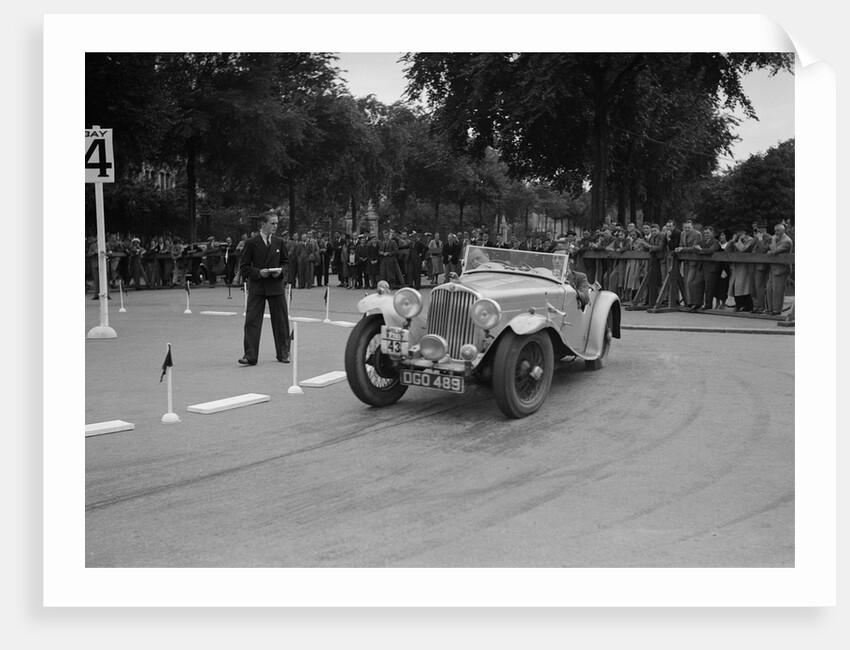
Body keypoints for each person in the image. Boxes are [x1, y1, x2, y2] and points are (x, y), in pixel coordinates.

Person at [238, 212, 290, 365]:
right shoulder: (251, 243)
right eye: (273, 223)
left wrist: (281, 272)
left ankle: (283, 353)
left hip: (276, 286)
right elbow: (244, 267)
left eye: (276, 223)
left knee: (281, 321)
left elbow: (286, 263)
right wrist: (258, 272)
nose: (276, 226)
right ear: (263, 224)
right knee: (252, 321)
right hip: (258, 286)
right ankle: (250, 356)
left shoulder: (279, 242)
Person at [675, 219, 703, 311]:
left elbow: (695, 248)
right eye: (685, 227)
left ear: (692, 227)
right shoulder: (682, 234)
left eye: (689, 227)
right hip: (685, 261)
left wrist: (682, 249)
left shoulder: (697, 234)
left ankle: (695, 302)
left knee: (690, 281)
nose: (687, 229)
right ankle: (689, 302)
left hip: (694, 261)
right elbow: (681, 244)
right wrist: (680, 248)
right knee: (686, 281)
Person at [766, 222, 794, 315]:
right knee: (769, 289)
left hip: (781, 269)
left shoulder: (787, 241)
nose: (776, 233)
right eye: (775, 231)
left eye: (778, 230)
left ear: (784, 230)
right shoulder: (777, 239)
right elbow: (769, 250)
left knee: (778, 291)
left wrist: (773, 242)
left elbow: (774, 251)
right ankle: (770, 309)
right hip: (773, 267)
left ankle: (776, 310)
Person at [696, 225, 722, 310]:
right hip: (702, 266)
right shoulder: (702, 241)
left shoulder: (716, 242)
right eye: (705, 233)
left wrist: (701, 250)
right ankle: (698, 303)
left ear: (712, 233)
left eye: (708, 233)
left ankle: (708, 304)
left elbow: (711, 250)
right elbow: (695, 248)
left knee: (709, 287)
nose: (706, 234)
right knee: (699, 284)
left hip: (711, 267)